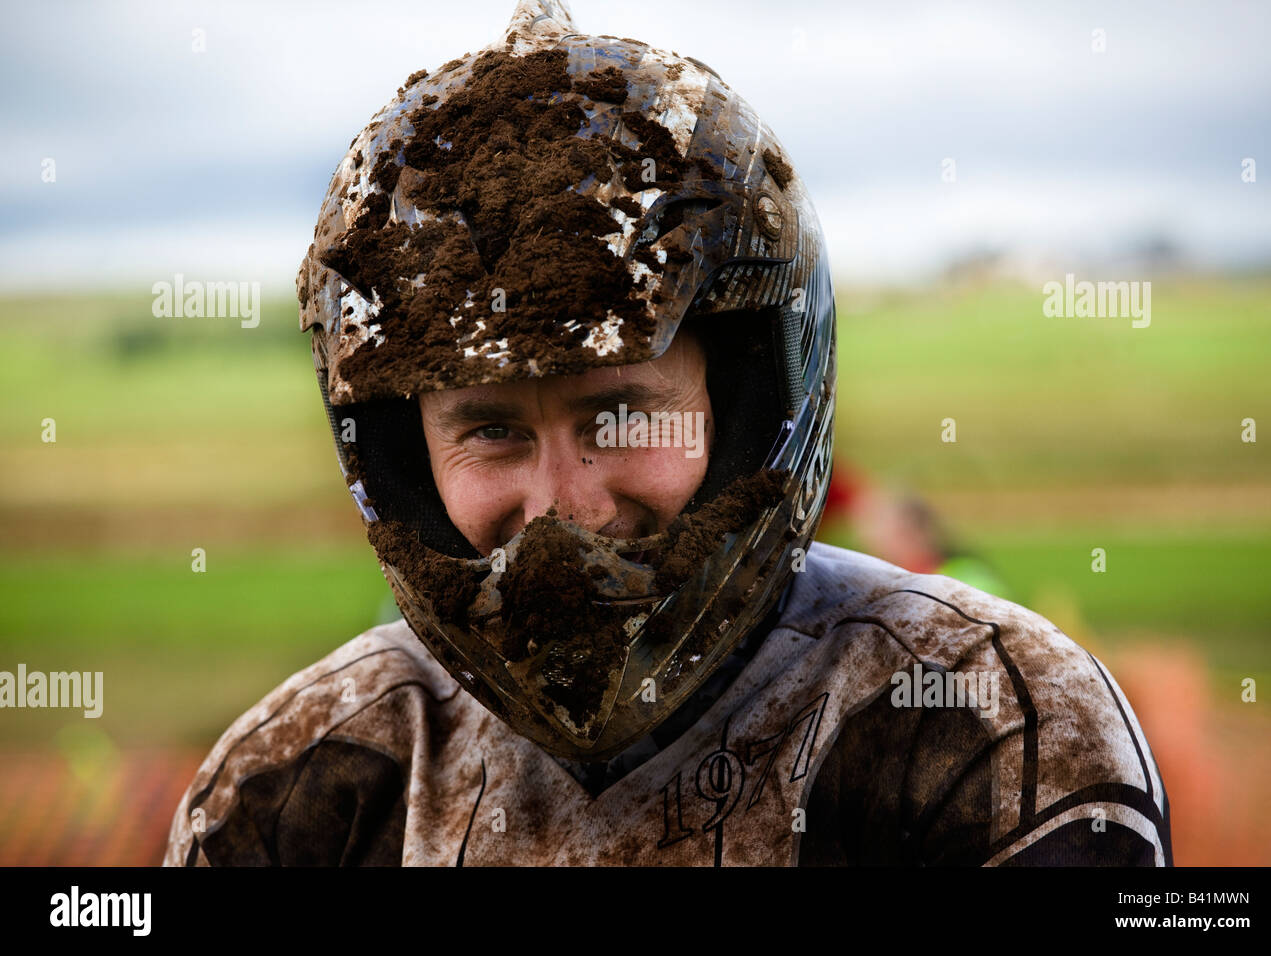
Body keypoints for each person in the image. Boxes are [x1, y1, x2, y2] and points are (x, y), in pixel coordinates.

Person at [163, 0, 1172, 866]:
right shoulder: (294, 786)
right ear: (400, 458)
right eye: (490, 431)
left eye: (618, 413)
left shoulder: (985, 722)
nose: (565, 502)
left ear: (743, 406)